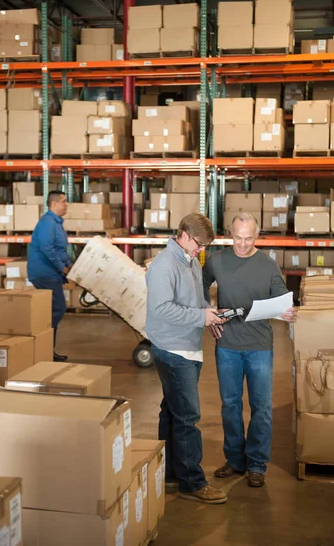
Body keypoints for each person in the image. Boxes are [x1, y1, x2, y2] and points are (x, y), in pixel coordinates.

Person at [202, 212, 297, 488]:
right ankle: (234, 460)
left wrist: (286, 311)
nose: (242, 244)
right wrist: (207, 310)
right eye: (237, 237)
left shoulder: (268, 265)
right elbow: (200, 284)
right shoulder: (218, 260)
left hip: (259, 347)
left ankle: (256, 464)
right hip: (227, 346)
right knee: (230, 406)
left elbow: (281, 298)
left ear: (257, 235)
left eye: (248, 238)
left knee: (261, 407)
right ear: (229, 233)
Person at [145, 212, 228, 505]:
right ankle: (192, 482)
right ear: (183, 234)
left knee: (171, 412)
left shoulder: (190, 260)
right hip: (172, 349)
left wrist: (210, 313)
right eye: (199, 244)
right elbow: (161, 309)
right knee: (188, 417)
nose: (201, 250)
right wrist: (200, 316)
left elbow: (196, 297)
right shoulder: (164, 266)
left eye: (205, 246)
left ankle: (169, 474)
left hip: (187, 346)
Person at [28, 190, 70, 362]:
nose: (66, 205)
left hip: (51, 272)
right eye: (64, 201)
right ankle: (44, 349)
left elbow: (59, 248)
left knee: (54, 310)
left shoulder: (56, 223)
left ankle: (47, 350)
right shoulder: (48, 223)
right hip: (45, 273)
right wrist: (62, 267)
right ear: (54, 204)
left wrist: (68, 265)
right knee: (57, 308)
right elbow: (47, 249)